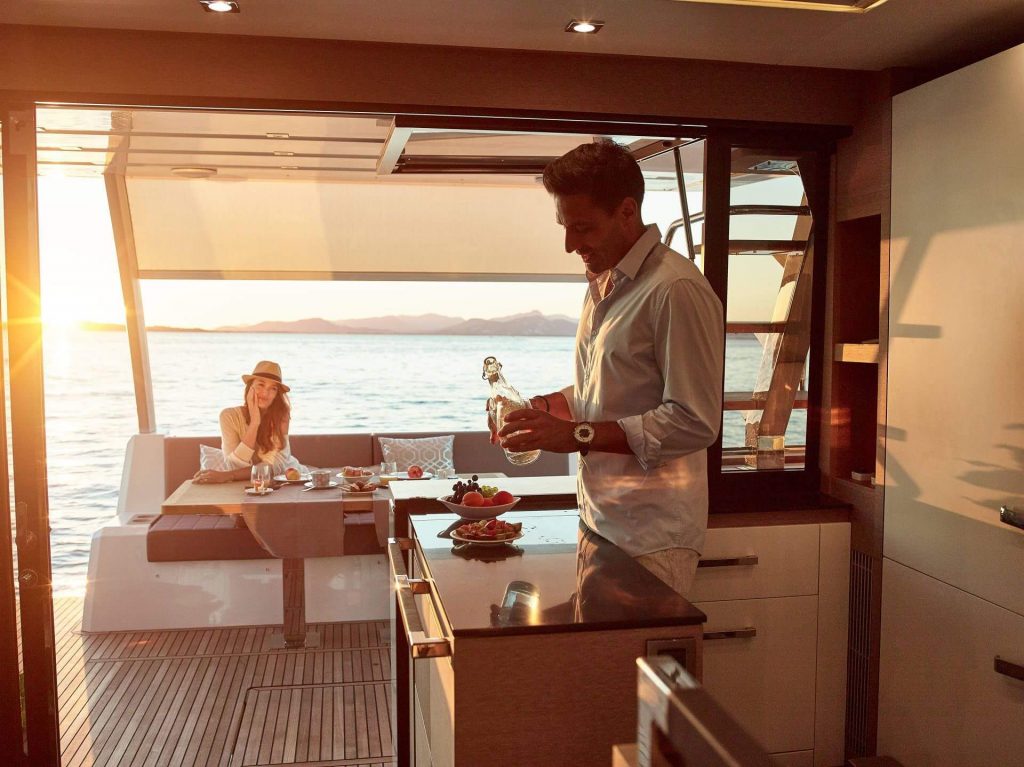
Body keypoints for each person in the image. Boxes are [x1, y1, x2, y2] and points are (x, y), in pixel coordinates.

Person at [495, 139, 724, 597]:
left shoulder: (675, 289)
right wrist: (541, 409)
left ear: (625, 212)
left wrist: (575, 435)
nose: (569, 245)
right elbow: (600, 390)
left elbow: (694, 420)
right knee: (596, 667)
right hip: (600, 521)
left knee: (637, 670)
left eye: (582, 227)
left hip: (652, 539)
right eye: (564, 226)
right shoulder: (604, 286)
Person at [193, 360, 298, 483]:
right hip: (247, 483)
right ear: (250, 387)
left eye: (273, 389)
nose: (265, 393)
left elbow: (275, 467)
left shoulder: (281, 415)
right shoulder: (228, 416)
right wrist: (254, 423)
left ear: (277, 394)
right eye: (261, 385)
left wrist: (228, 475)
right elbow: (234, 465)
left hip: (285, 476)